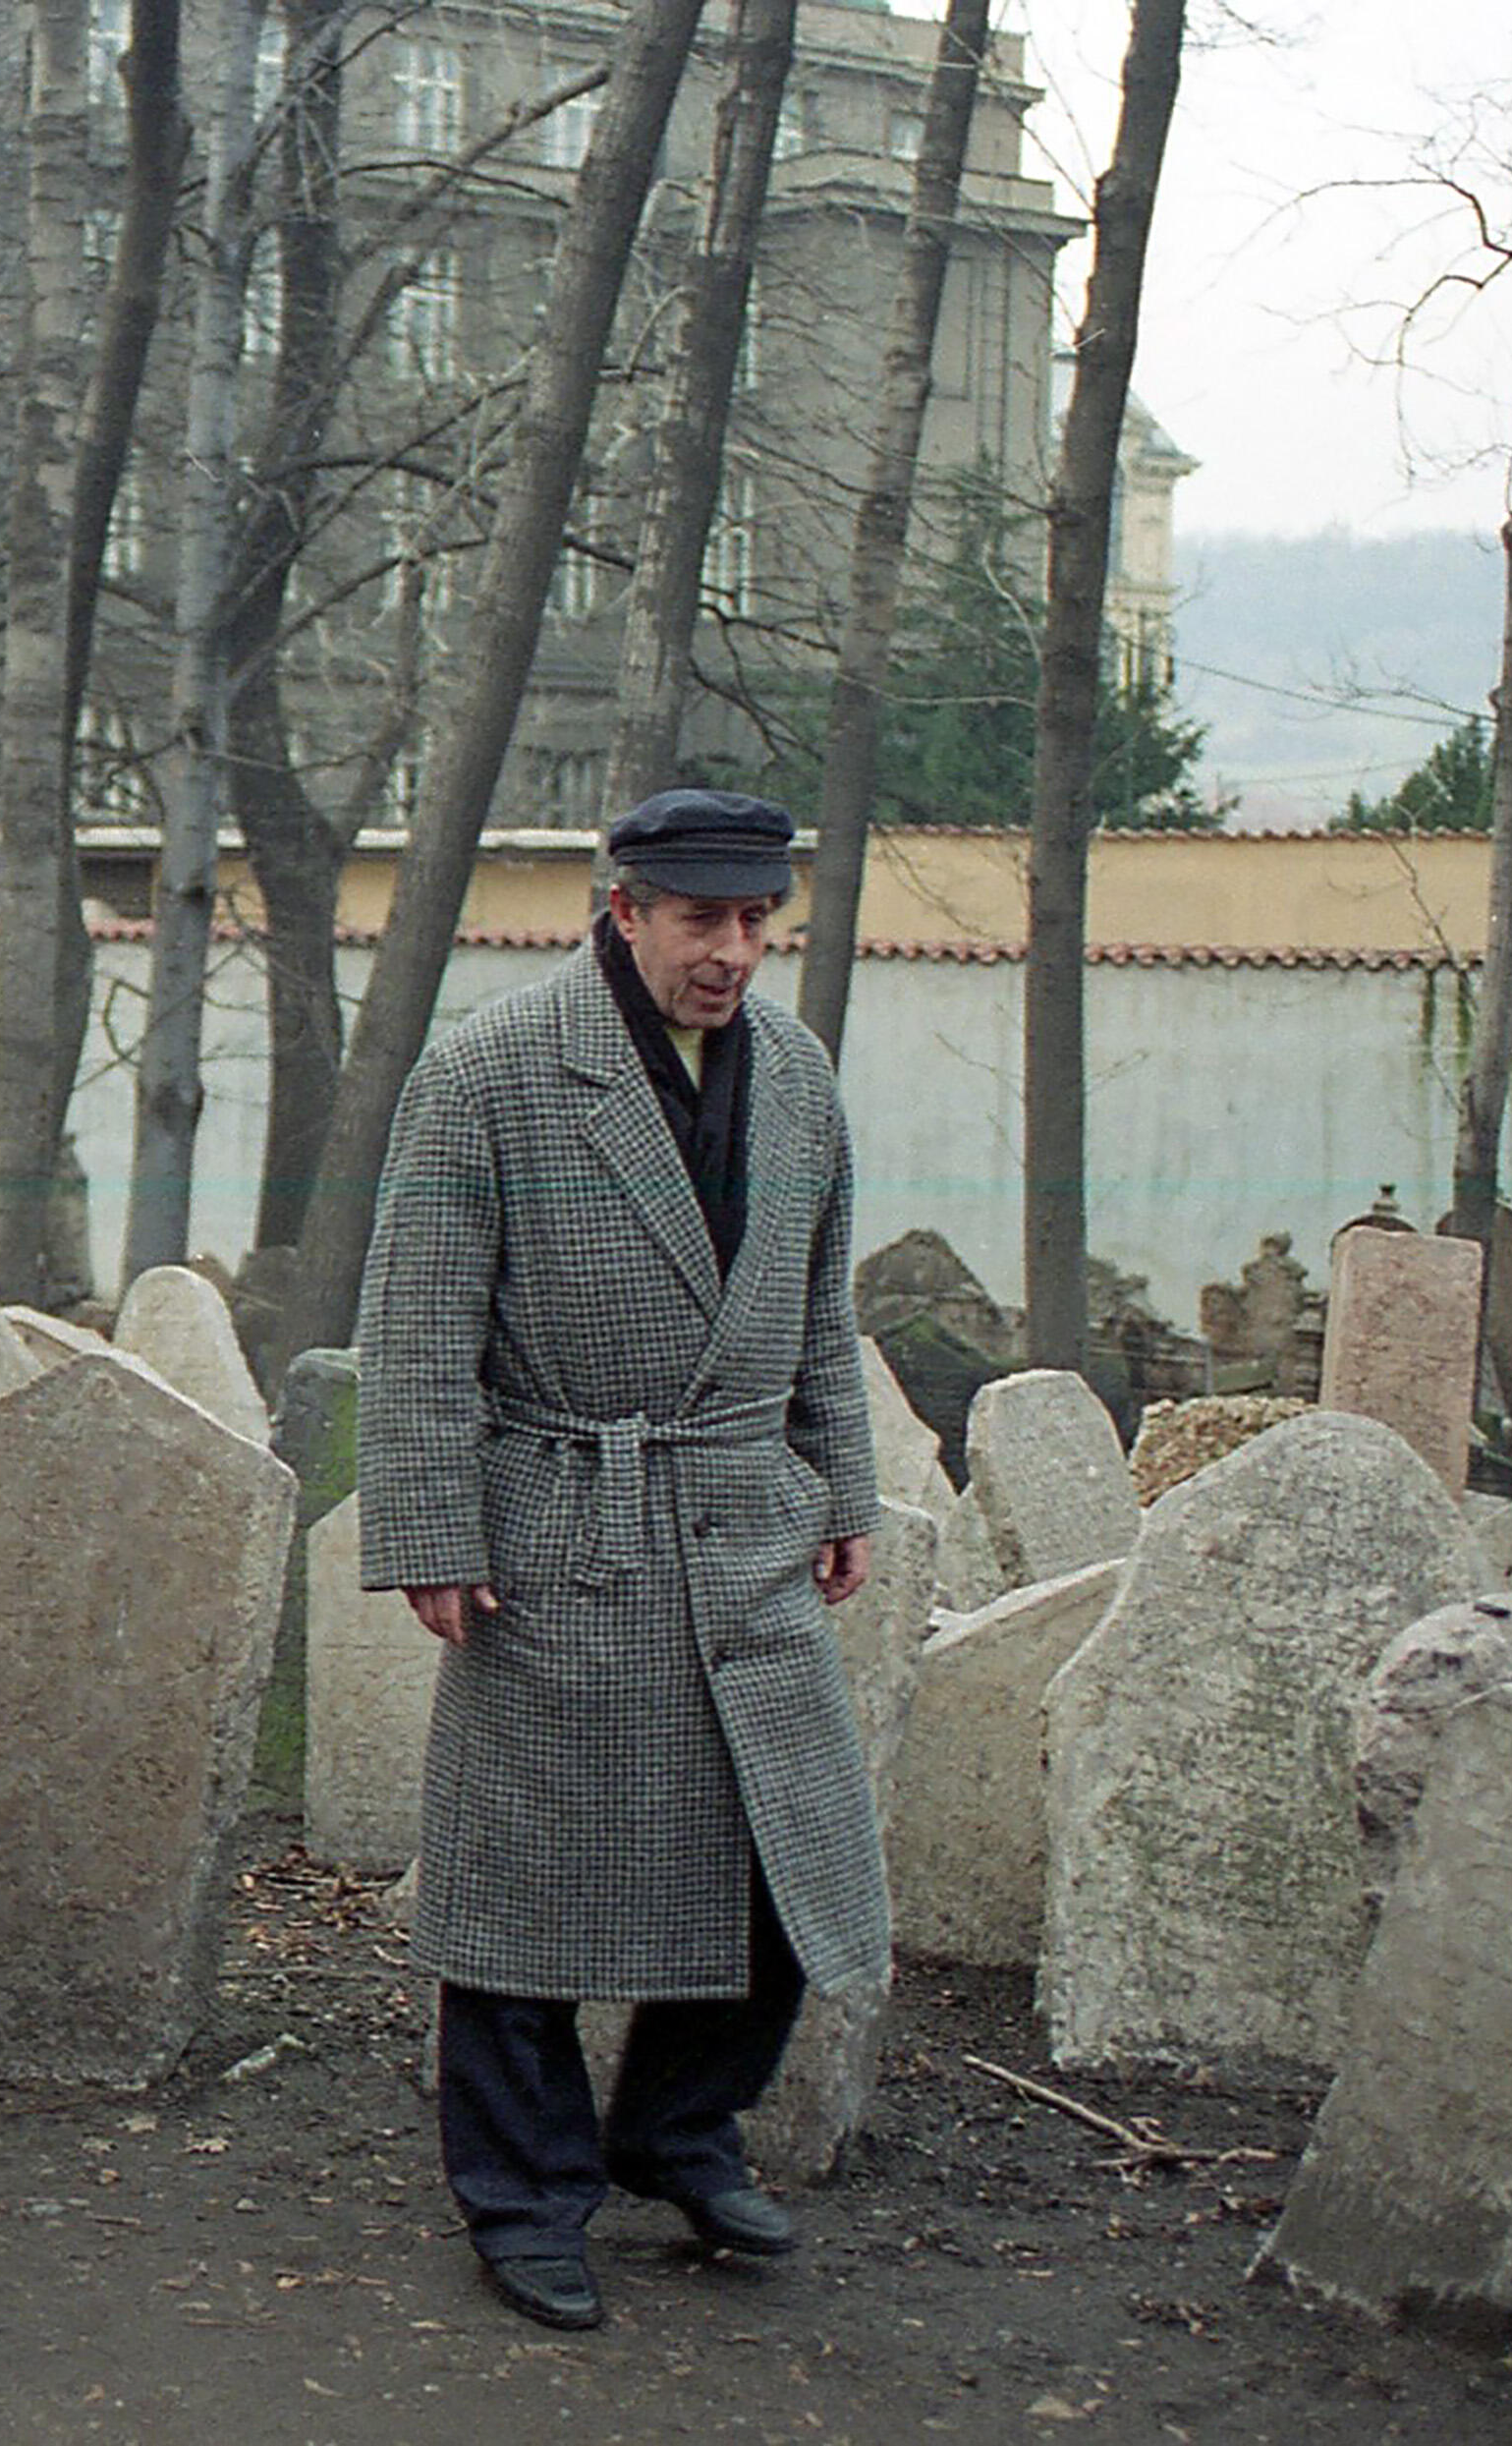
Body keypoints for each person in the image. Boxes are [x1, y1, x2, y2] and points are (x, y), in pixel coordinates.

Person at [354, 788, 888, 2335]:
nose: (734, 951)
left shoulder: (795, 1078)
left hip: (740, 1522)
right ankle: (525, 2195)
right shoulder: (494, 1071)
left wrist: (843, 1484)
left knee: (788, 1873)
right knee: (530, 1892)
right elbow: (417, 1328)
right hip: (561, 1524)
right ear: (625, 908)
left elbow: (819, 1311)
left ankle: (675, 2128)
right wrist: (431, 1535)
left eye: (754, 920)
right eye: (702, 920)